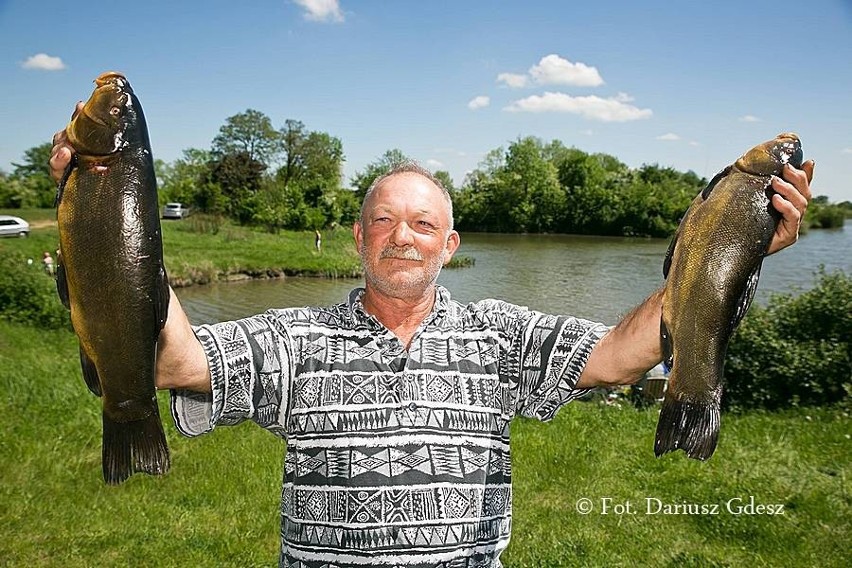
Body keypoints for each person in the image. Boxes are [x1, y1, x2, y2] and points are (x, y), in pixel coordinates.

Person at [50, 120, 814, 567]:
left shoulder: (500, 334)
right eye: (382, 221)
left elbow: (619, 352)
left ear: (449, 244)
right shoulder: (294, 335)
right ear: (357, 238)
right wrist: (106, 227)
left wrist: (735, 251)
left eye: (421, 224)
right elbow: (175, 361)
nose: (401, 238)